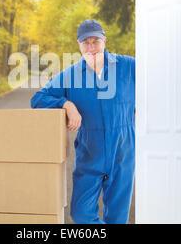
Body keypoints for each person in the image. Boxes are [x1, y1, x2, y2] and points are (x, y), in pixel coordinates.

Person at [30, 19, 135, 224]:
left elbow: (155, 84)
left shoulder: (128, 66)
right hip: (90, 151)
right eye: (85, 42)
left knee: (117, 217)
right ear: (79, 45)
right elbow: (38, 98)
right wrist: (66, 104)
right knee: (80, 214)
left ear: (104, 41)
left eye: (95, 41)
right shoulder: (71, 75)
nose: (91, 47)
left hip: (123, 150)